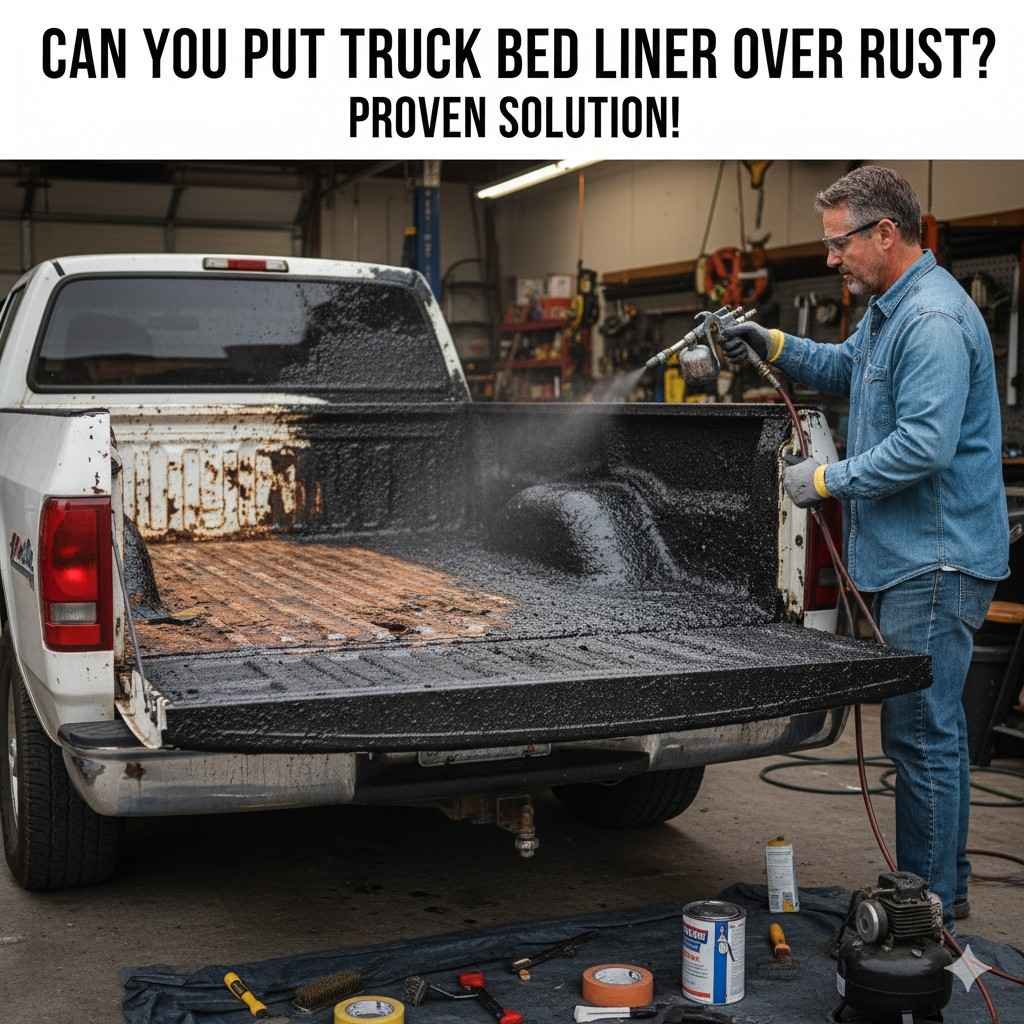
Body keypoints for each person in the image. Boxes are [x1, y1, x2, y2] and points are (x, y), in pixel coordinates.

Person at [722, 165, 1009, 927]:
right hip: (910, 559)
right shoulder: (890, 311)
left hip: (936, 561)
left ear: (886, 234)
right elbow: (847, 368)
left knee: (921, 737)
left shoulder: (935, 321)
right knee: (926, 735)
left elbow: (924, 446)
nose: (830, 258)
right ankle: (939, 891)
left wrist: (823, 479)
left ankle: (929, 908)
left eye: (838, 242)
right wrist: (774, 341)